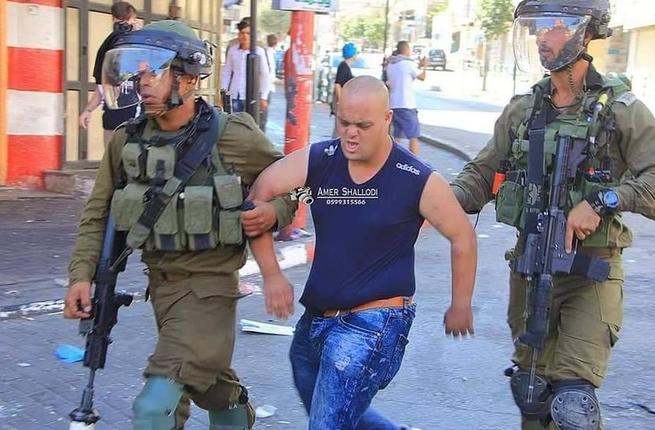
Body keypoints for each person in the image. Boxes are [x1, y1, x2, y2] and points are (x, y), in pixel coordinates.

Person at [63, 20, 296, 430]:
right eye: (137, 72)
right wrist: (81, 275)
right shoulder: (127, 141)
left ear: (189, 77)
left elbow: (294, 183)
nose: (143, 81)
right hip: (161, 287)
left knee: (155, 407)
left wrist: (276, 211)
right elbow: (98, 214)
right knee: (208, 384)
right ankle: (235, 415)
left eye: (154, 70)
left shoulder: (231, 134)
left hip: (210, 287)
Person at [451, 1, 655, 428]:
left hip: (589, 274)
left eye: (555, 26)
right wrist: (434, 203)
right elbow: (480, 174)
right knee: (533, 393)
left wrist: (604, 201)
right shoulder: (523, 110)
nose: (542, 36)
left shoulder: (620, 109)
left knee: (573, 405)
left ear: (586, 33)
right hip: (530, 270)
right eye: (537, 27)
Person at [243, 76, 478, 429]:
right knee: (309, 379)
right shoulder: (321, 159)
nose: (351, 134)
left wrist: (461, 304)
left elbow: (463, 238)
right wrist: (272, 275)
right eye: (344, 122)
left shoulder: (416, 178)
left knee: (328, 422)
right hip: (318, 315)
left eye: (363, 126)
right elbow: (258, 195)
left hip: (374, 324)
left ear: (387, 118)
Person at [78, 1, 142, 146]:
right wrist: (88, 110)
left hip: (135, 120)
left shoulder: (141, 48)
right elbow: (102, 87)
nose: (123, 28)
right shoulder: (109, 48)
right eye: (119, 22)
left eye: (126, 22)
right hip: (112, 119)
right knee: (110, 157)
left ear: (134, 20)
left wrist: (139, 36)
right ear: (113, 20)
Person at [221, 17, 270, 124]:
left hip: (251, 95)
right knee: (234, 123)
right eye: (242, 33)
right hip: (235, 94)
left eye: (248, 33)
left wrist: (263, 97)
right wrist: (223, 92)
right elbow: (227, 72)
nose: (245, 36)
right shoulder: (233, 50)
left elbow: (265, 74)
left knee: (250, 124)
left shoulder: (259, 52)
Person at [385, 41, 427, 155]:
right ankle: (415, 161)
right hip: (406, 105)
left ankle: (392, 159)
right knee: (413, 135)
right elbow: (422, 77)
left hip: (394, 105)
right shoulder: (408, 64)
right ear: (406, 49)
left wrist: (418, 66)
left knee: (397, 136)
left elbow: (405, 75)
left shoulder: (391, 64)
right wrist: (424, 66)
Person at [331, 42, 358, 137]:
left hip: (344, 101)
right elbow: (338, 84)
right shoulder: (343, 67)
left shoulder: (345, 66)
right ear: (352, 54)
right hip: (341, 101)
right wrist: (341, 100)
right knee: (339, 129)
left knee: (341, 127)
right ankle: (334, 145)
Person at [259, 34, 278, 132]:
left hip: (264, 87)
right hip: (266, 88)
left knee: (261, 117)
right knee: (262, 118)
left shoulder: (266, 52)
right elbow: (269, 74)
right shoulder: (268, 53)